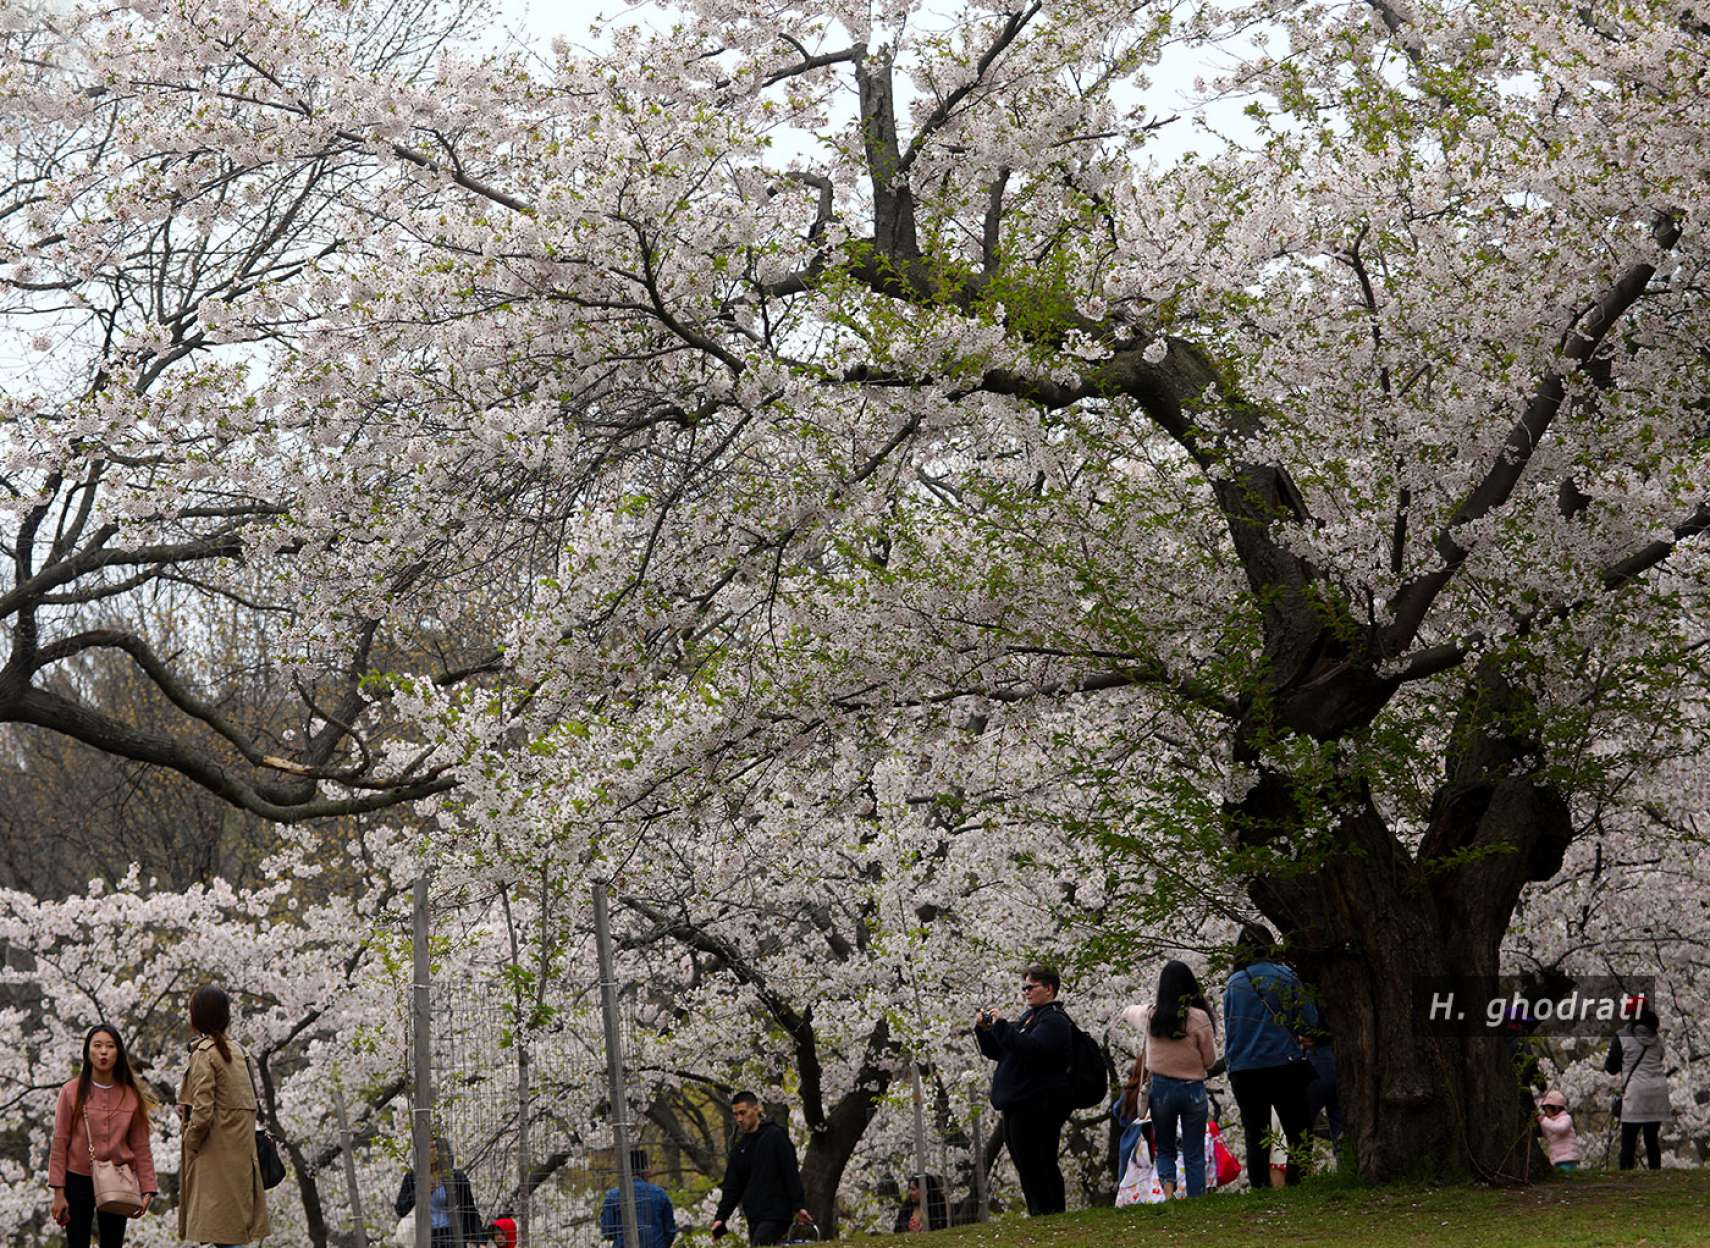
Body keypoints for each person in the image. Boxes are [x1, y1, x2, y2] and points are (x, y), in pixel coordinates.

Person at [1222, 923, 1318, 1188]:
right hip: (1282, 1064)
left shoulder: (1234, 984)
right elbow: (1309, 1017)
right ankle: (1297, 1183)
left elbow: (1230, 1027)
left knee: (1256, 1133)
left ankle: (1260, 1187)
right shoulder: (1285, 976)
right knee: (1298, 1129)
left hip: (1244, 1069)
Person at [973, 963, 1073, 1216]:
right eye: (1024, 988)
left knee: (1039, 1161)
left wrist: (1003, 1026)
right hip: (1016, 1103)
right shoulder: (1029, 1018)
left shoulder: (1054, 1021)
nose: (1026, 992)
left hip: (1038, 1104)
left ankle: (1050, 1212)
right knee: (1024, 1162)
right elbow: (1002, 1050)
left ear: (1049, 989)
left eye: (1031, 987)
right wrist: (986, 1031)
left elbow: (1031, 1050)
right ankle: (1039, 1212)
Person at [49, 1025, 158, 1248]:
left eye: (110, 1046)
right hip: (77, 1178)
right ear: (88, 1052)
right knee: (77, 1242)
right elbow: (60, 1142)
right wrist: (58, 1193)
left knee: (113, 1242)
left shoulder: (130, 1096)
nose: (103, 1052)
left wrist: (148, 1188)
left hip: (118, 1177)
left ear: (118, 1052)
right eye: (97, 1046)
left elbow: (141, 1146)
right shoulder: (71, 1091)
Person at [178, 985, 269, 1247]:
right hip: (240, 1156)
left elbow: (204, 1111)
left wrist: (190, 1140)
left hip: (215, 1155)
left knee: (224, 1234)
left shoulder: (204, 1053)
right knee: (233, 1230)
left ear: (197, 1016)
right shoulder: (239, 1052)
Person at [1119, 960, 1217, 1198]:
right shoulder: (1199, 1018)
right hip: (1192, 1089)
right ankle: (1197, 1197)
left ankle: (1169, 1194)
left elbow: (1128, 1012)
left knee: (1165, 1147)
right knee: (1193, 1150)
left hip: (1161, 1089)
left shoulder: (1152, 1015)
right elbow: (1211, 1060)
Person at [710, 1092, 810, 1245]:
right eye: (736, 1114)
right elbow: (732, 1187)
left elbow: (790, 1171)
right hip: (754, 1216)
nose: (739, 1119)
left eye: (743, 1113)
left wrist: (798, 1206)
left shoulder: (775, 1136)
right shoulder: (739, 1149)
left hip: (777, 1212)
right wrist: (720, 1218)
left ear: (756, 1109)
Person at [1605, 1000, 1669, 1170]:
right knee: (1651, 1139)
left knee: (1629, 1139)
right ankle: (1656, 1174)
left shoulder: (1621, 1037)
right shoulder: (1657, 1038)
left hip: (1635, 1091)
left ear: (1630, 1015)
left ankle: (1626, 1176)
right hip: (1658, 1090)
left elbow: (1611, 1067)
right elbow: (1660, 1057)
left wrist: (1624, 1064)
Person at [393, 1137, 485, 1246]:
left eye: (434, 1147)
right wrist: (420, 1193)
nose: (432, 1151)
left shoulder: (456, 1177)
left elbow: (470, 1211)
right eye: (427, 1148)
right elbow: (401, 1209)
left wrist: (481, 1241)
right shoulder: (412, 1178)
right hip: (423, 1237)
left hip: (453, 1236)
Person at [599, 1149, 678, 1247]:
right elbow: (670, 1231)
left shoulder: (612, 1196)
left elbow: (607, 1231)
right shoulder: (660, 1194)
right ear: (645, 1171)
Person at [1536, 1089, 1579, 1174]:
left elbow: (1560, 1129)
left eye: (1547, 1110)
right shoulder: (1551, 1122)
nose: (1546, 1113)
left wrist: (1544, 1120)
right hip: (1556, 1159)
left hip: (1567, 1158)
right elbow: (1546, 1133)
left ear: (1556, 1108)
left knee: (1567, 1179)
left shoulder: (1566, 1118)